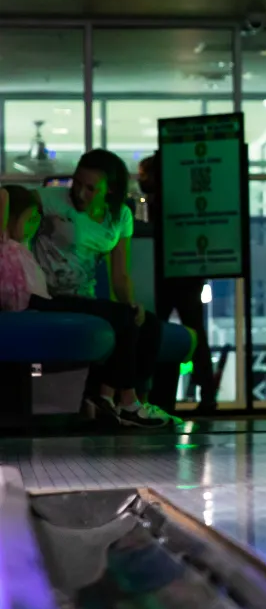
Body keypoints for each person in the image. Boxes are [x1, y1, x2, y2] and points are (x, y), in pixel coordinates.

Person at [0, 183, 168, 429]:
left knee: (138, 319)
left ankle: (122, 399)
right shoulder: (6, 245)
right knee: (124, 317)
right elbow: (3, 195)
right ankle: (120, 400)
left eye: (37, 219)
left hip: (45, 302)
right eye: (30, 219)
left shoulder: (22, 246)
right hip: (37, 305)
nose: (35, 225)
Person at [138, 155, 216, 412]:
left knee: (155, 331)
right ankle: (207, 395)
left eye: (144, 175)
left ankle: (152, 394)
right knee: (196, 333)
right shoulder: (182, 198)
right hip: (186, 274)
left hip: (168, 275)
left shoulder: (160, 202)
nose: (141, 180)